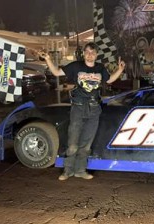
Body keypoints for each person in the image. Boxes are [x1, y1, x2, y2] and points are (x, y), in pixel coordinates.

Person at [39, 42, 125, 181]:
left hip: (94, 109)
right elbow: (56, 72)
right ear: (84, 53)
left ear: (96, 54)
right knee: (73, 142)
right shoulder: (76, 66)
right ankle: (67, 171)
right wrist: (48, 58)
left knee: (86, 144)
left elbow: (109, 80)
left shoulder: (100, 68)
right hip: (78, 108)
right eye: (88, 52)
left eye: (93, 52)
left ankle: (80, 170)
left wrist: (120, 70)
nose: (90, 55)